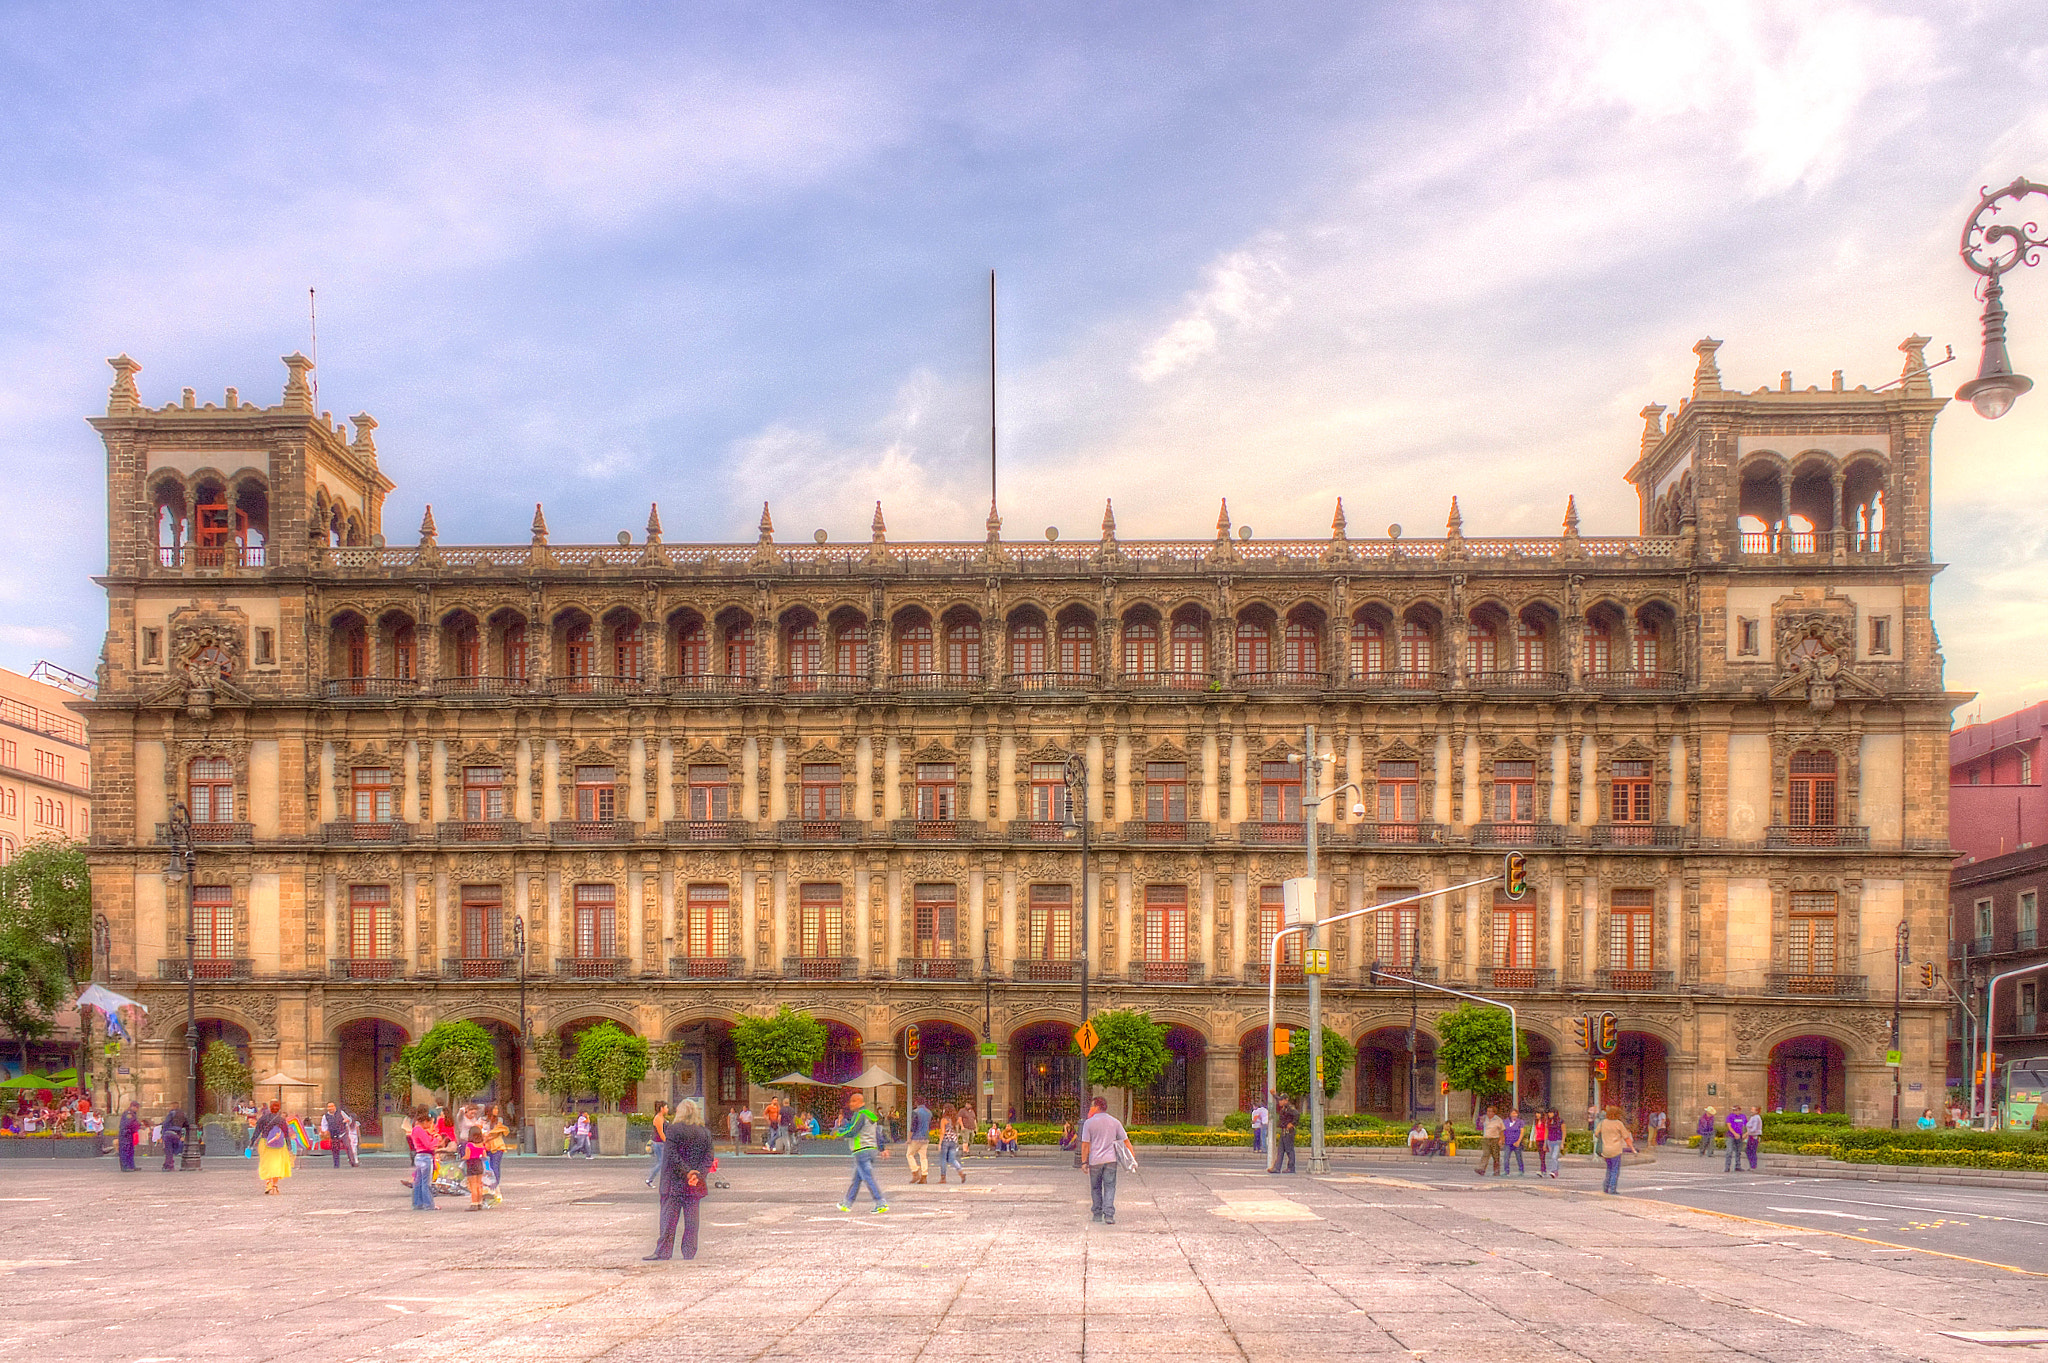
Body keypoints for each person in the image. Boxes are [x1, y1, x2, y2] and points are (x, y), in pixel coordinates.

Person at [646, 1098, 715, 1261]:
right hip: (694, 1184)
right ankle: (689, 1251)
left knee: (669, 1220)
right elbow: (709, 1156)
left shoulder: (674, 1130)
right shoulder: (704, 1132)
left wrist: (686, 1172)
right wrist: (697, 1174)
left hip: (674, 1183)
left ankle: (664, 1251)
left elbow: (671, 1155)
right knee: (692, 1220)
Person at [1081, 1095, 1135, 1224]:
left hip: (1095, 1161)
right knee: (1110, 1187)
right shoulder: (1115, 1122)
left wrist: (1084, 1162)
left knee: (1096, 1188)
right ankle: (1109, 1215)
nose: (1090, 1108)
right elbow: (1126, 1141)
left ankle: (1097, 1213)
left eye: (1092, 1106)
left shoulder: (1089, 1123)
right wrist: (1132, 1158)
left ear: (1097, 1107)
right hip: (1111, 1160)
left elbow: (1085, 1144)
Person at [833, 1090, 889, 1213]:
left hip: (861, 1150)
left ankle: (881, 1203)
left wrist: (839, 1133)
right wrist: (882, 1148)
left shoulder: (860, 1115)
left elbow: (853, 1130)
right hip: (871, 1149)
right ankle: (847, 1203)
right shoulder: (870, 1115)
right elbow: (878, 1134)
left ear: (861, 1102)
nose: (851, 1104)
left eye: (854, 1101)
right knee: (857, 1179)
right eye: (851, 1101)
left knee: (868, 1178)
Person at [1596, 1104, 1637, 1194]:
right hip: (1616, 1150)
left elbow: (1596, 1133)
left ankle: (1606, 1187)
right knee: (1615, 1169)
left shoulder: (1603, 1122)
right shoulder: (1618, 1124)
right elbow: (1626, 1137)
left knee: (1609, 1168)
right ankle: (1612, 1189)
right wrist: (1633, 1149)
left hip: (1605, 1150)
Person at [255, 1101, 293, 1195]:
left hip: (265, 1143)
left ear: (270, 1107)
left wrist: (251, 1143)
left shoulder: (263, 1118)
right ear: (279, 1109)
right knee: (277, 1165)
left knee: (266, 1164)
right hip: (279, 1145)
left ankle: (268, 1183)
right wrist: (289, 1147)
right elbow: (286, 1134)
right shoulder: (281, 1120)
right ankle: (275, 1186)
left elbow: (257, 1132)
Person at [407, 1106, 440, 1210]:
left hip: (420, 1157)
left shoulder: (415, 1129)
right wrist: (437, 1140)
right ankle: (429, 1204)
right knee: (426, 1183)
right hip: (425, 1157)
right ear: (425, 1121)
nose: (430, 1125)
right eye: (430, 1123)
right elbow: (428, 1145)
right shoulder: (419, 1130)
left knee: (419, 1182)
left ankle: (418, 1203)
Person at [483, 1104, 509, 1205]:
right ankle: (488, 1186)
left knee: (495, 1166)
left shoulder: (499, 1120)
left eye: (497, 1108)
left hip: (497, 1146)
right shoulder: (482, 1120)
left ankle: (495, 1187)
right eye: (494, 1108)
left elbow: (497, 1133)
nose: (496, 1110)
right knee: (487, 1167)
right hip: (486, 1147)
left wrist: (486, 1138)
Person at [459, 1126, 487, 1210]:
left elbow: (467, 1156)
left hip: (471, 1164)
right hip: (479, 1164)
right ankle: (479, 1202)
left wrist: (462, 1158)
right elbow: (484, 1156)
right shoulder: (481, 1145)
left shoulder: (469, 1145)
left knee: (473, 1185)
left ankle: (474, 1203)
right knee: (479, 1185)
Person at [318, 1102, 351, 1169]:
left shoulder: (341, 1113)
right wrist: (325, 1132)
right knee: (335, 1149)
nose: (331, 1108)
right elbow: (324, 1125)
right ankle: (336, 1165)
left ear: (335, 1107)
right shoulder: (325, 1116)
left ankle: (352, 1161)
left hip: (343, 1133)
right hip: (333, 1134)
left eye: (332, 1106)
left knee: (348, 1146)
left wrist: (346, 1122)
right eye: (329, 1106)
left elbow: (348, 1119)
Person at [938, 1107, 966, 1183]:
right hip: (953, 1141)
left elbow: (942, 1131)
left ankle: (943, 1178)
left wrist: (940, 1143)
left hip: (946, 1140)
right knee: (952, 1159)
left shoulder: (944, 1120)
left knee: (943, 1159)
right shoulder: (955, 1120)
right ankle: (961, 1172)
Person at [906, 1100, 931, 1184]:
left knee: (909, 1154)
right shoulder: (929, 1112)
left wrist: (909, 1138)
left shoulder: (915, 1112)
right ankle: (924, 1176)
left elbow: (913, 1126)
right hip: (925, 1137)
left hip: (916, 1137)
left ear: (916, 1103)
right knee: (923, 1157)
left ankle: (915, 1171)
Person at [645, 1102, 670, 1188]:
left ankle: (664, 1180)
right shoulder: (658, 1118)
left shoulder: (661, 1117)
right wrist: (667, 1142)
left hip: (661, 1143)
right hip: (659, 1143)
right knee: (661, 1162)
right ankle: (650, 1179)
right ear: (662, 1108)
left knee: (663, 1162)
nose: (667, 1109)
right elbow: (660, 1132)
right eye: (666, 1107)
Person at [1475, 1106, 1504, 1177]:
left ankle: (1496, 1171)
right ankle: (1481, 1169)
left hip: (1495, 1139)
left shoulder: (1498, 1119)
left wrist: (1501, 1140)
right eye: (1488, 1111)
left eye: (1491, 1111)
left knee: (1495, 1155)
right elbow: (1479, 1126)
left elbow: (1502, 1130)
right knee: (1486, 1154)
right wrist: (1480, 1121)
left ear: (1494, 1112)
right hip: (1486, 1139)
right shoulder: (1485, 1118)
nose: (1489, 1113)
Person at [1272, 1098, 1299, 1174]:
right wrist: (1274, 1095)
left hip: (1288, 1132)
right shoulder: (1284, 1108)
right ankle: (1277, 1168)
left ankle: (1291, 1168)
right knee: (1280, 1150)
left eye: (1281, 1100)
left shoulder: (1290, 1108)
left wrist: (1292, 1123)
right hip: (1283, 1131)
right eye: (1279, 1100)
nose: (1279, 1102)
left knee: (1289, 1150)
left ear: (1286, 1100)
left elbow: (1297, 1114)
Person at [160, 1104, 189, 1171]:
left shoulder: (171, 1113)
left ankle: (169, 1165)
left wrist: (162, 1134)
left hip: (169, 1133)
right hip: (177, 1135)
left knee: (168, 1151)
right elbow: (186, 1124)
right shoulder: (183, 1114)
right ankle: (168, 1164)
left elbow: (166, 1123)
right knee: (173, 1150)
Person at [1723, 1107, 1748, 1173]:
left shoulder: (1743, 1116)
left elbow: (1746, 1125)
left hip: (1740, 1136)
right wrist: (1735, 1134)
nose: (1736, 1111)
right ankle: (1727, 1167)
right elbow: (1729, 1126)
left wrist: (1746, 1134)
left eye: (1737, 1110)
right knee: (1729, 1151)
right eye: (1734, 1110)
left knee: (1738, 1152)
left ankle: (1738, 1166)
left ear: (1740, 1110)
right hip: (1731, 1136)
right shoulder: (1730, 1116)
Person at [117, 1102, 140, 1172]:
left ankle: (131, 1166)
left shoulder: (132, 1113)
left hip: (129, 1134)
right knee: (125, 1150)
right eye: (137, 1108)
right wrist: (138, 1126)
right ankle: (125, 1166)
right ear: (133, 1107)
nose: (137, 1109)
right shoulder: (128, 1113)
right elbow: (129, 1123)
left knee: (130, 1151)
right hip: (125, 1134)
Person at [1502, 1110, 1525, 1176]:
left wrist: (1518, 1141)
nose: (1514, 1115)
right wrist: (1502, 1139)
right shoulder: (1506, 1121)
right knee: (1506, 1157)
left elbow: (1522, 1132)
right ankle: (1506, 1171)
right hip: (1508, 1142)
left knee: (1519, 1157)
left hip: (1516, 1142)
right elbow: (1503, 1131)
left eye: (1515, 1113)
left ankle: (1521, 1170)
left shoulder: (1520, 1122)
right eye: (1513, 1113)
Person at [1543, 1109, 1564, 1179]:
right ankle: (1556, 1170)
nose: (1549, 1114)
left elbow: (1564, 1132)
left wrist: (1562, 1143)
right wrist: (1545, 1143)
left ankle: (1553, 1171)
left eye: (1551, 1113)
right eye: (1549, 1113)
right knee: (1553, 1157)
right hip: (1550, 1141)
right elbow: (1546, 1132)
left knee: (1554, 1157)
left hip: (1557, 1140)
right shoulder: (1548, 1121)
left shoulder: (1560, 1121)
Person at [1745, 1105, 1764, 1171]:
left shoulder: (1756, 1118)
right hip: (1751, 1136)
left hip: (1754, 1136)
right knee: (1749, 1150)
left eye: (1752, 1110)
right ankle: (1752, 1165)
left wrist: (1747, 1133)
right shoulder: (1753, 1117)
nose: (1751, 1111)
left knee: (1751, 1150)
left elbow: (1754, 1128)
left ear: (1756, 1111)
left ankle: (1753, 1165)